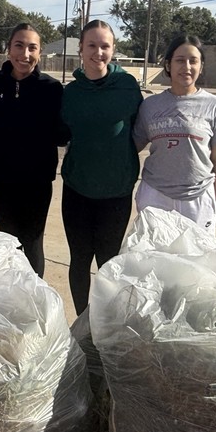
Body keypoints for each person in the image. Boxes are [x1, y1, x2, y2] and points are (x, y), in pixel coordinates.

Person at [60, 19, 143, 315]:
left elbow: (142, 130)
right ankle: (83, 322)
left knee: (109, 263)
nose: (98, 52)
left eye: (104, 46)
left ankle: (106, 325)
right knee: (79, 260)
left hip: (116, 192)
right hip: (77, 190)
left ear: (113, 49)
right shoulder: (70, 93)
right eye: (91, 45)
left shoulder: (128, 86)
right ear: (81, 49)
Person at [0, 23, 64, 277]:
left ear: (39, 53)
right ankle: (12, 301)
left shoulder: (51, 88)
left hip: (36, 181)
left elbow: (62, 133)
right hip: (1, 179)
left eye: (32, 48)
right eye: (19, 45)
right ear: (8, 48)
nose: (24, 54)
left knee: (33, 242)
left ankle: (35, 301)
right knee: (8, 243)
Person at [133, 34, 216, 230]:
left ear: (201, 66)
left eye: (193, 61)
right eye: (180, 60)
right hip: (156, 196)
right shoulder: (150, 106)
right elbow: (132, 148)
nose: (186, 67)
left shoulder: (215, 106)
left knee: (196, 259)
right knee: (155, 259)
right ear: (168, 65)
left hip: (197, 199)